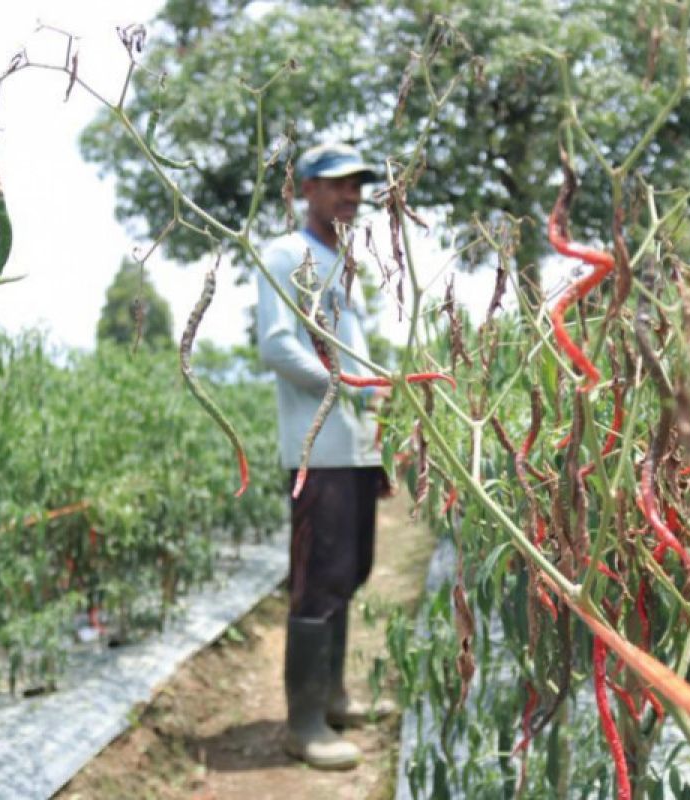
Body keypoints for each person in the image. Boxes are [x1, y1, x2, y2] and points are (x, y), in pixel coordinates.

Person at [255, 142, 394, 771]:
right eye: (337, 185)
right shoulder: (287, 255)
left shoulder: (341, 261)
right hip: (320, 446)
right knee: (318, 578)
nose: (350, 196)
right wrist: (344, 387)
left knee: (352, 568)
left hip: (355, 444)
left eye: (357, 186)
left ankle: (333, 697)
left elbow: (354, 350)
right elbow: (279, 346)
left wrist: (378, 409)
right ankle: (303, 723)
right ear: (305, 189)